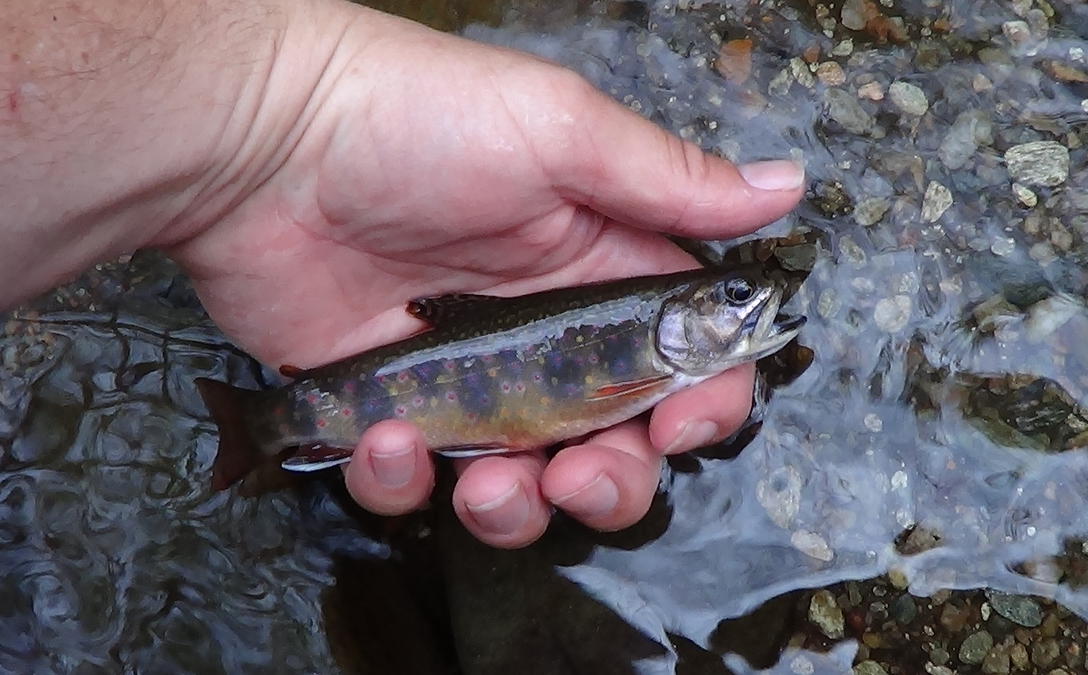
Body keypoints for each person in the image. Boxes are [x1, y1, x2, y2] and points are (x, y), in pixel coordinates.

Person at [1, 0, 804, 548]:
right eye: (733, 295)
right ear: (679, 319)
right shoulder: (642, 360)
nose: (749, 301)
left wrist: (273, 120)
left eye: (737, 297)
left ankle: (274, 424)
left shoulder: (648, 345)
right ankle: (266, 424)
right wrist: (280, 119)